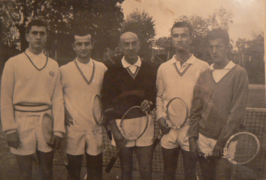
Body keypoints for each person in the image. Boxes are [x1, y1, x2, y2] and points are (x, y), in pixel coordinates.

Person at [1, 19, 65, 180]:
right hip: (22, 121)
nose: (38, 37)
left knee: (47, 171)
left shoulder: (53, 65)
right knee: (25, 174)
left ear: (46, 37)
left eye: (41, 33)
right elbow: (5, 98)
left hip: (45, 121)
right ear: (27, 36)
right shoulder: (13, 63)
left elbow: (57, 99)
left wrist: (58, 129)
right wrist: (9, 129)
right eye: (34, 33)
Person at [188, 28, 249, 180]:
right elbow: (195, 110)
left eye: (219, 46)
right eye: (211, 47)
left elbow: (236, 114)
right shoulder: (204, 75)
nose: (214, 51)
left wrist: (222, 143)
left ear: (227, 48)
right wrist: (192, 138)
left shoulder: (239, 73)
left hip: (226, 141)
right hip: (203, 138)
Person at [156, 21, 209, 180]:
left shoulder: (203, 66)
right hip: (168, 130)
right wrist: (159, 117)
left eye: (184, 35)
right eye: (175, 35)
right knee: (168, 173)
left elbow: (205, 102)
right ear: (171, 39)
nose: (179, 39)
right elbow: (159, 96)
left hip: (190, 131)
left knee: (190, 175)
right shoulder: (163, 68)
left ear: (191, 38)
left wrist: (195, 130)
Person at [102, 31, 157, 180]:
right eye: (126, 44)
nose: (130, 47)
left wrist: (150, 102)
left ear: (139, 45)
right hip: (121, 127)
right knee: (126, 170)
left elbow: (153, 94)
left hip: (144, 125)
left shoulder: (150, 69)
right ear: (120, 47)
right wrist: (115, 131)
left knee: (146, 170)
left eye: (134, 43)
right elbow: (107, 104)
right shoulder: (112, 72)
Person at [60, 29, 107, 180]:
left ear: (92, 45)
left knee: (95, 173)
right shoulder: (64, 70)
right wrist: (62, 112)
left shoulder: (102, 69)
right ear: (73, 46)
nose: (83, 47)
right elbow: (54, 97)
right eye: (79, 44)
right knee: (73, 173)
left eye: (87, 43)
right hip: (74, 128)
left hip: (95, 128)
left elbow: (108, 97)